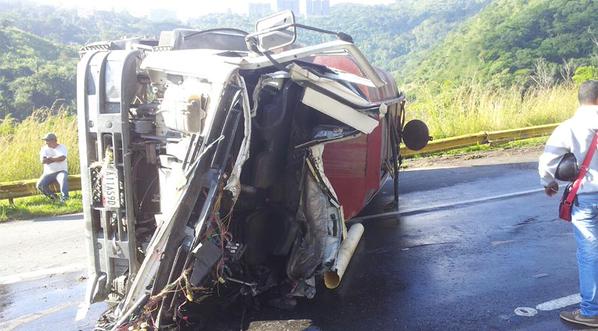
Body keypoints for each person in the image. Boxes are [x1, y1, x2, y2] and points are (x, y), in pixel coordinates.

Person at [539, 80, 598, 327]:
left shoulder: (569, 127)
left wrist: (549, 183)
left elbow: (547, 163)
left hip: (586, 197)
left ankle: (591, 312)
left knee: (589, 253)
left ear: (580, 100)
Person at [36, 132, 69, 202]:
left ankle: (65, 198)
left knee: (63, 179)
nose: (46, 142)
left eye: (47, 140)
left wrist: (50, 158)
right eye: (45, 141)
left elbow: (62, 158)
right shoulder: (44, 149)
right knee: (40, 185)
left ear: (53, 140)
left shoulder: (62, 147)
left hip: (61, 171)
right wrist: (56, 159)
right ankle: (54, 198)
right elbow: (43, 161)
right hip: (48, 173)